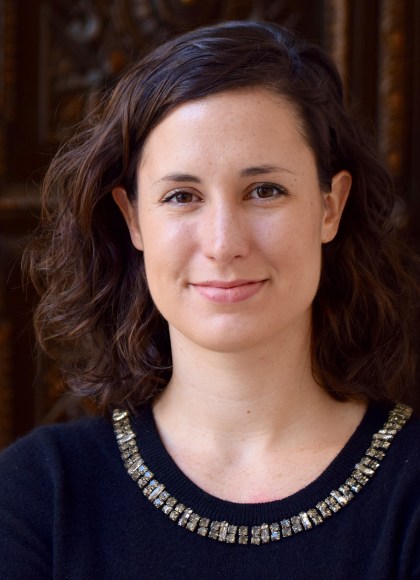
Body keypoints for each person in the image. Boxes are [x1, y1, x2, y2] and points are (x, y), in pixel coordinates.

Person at [0, 20, 419, 579]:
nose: (223, 244)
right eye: (182, 196)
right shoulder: (37, 495)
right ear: (133, 219)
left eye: (264, 191)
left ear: (330, 207)